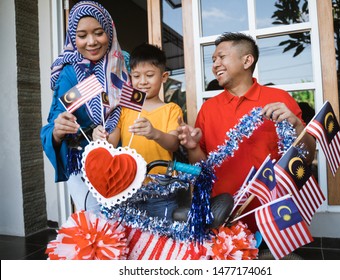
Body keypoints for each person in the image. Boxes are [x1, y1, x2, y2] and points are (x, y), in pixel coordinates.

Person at [177, 32, 316, 233]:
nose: (215, 64)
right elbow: (202, 169)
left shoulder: (279, 99)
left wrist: (296, 125)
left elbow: (307, 157)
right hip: (224, 219)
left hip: (275, 216)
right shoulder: (208, 109)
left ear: (247, 60)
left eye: (222, 57)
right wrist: (193, 147)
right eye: (213, 60)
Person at [40, 1, 129, 213]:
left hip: (124, 158)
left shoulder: (122, 62)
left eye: (98, 33)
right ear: (73, 37)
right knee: (99, 224)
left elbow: (136, 104)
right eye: (82, 35)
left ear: (109, 31)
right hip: (84, 163)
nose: (91, 42)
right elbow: (54, 121)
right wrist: (58, 130)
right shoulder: (70, 74)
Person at [93, 43, 183, 221]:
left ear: (164, 77)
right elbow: (111, 143)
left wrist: (154, 133)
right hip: (129, 186)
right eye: (136, 76)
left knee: (163, 239)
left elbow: (174, 144)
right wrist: (100, 136)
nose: (142, 81)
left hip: (162, 189)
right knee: (133, 239)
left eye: (150, 75)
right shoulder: (125, 109)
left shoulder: (171, 109)